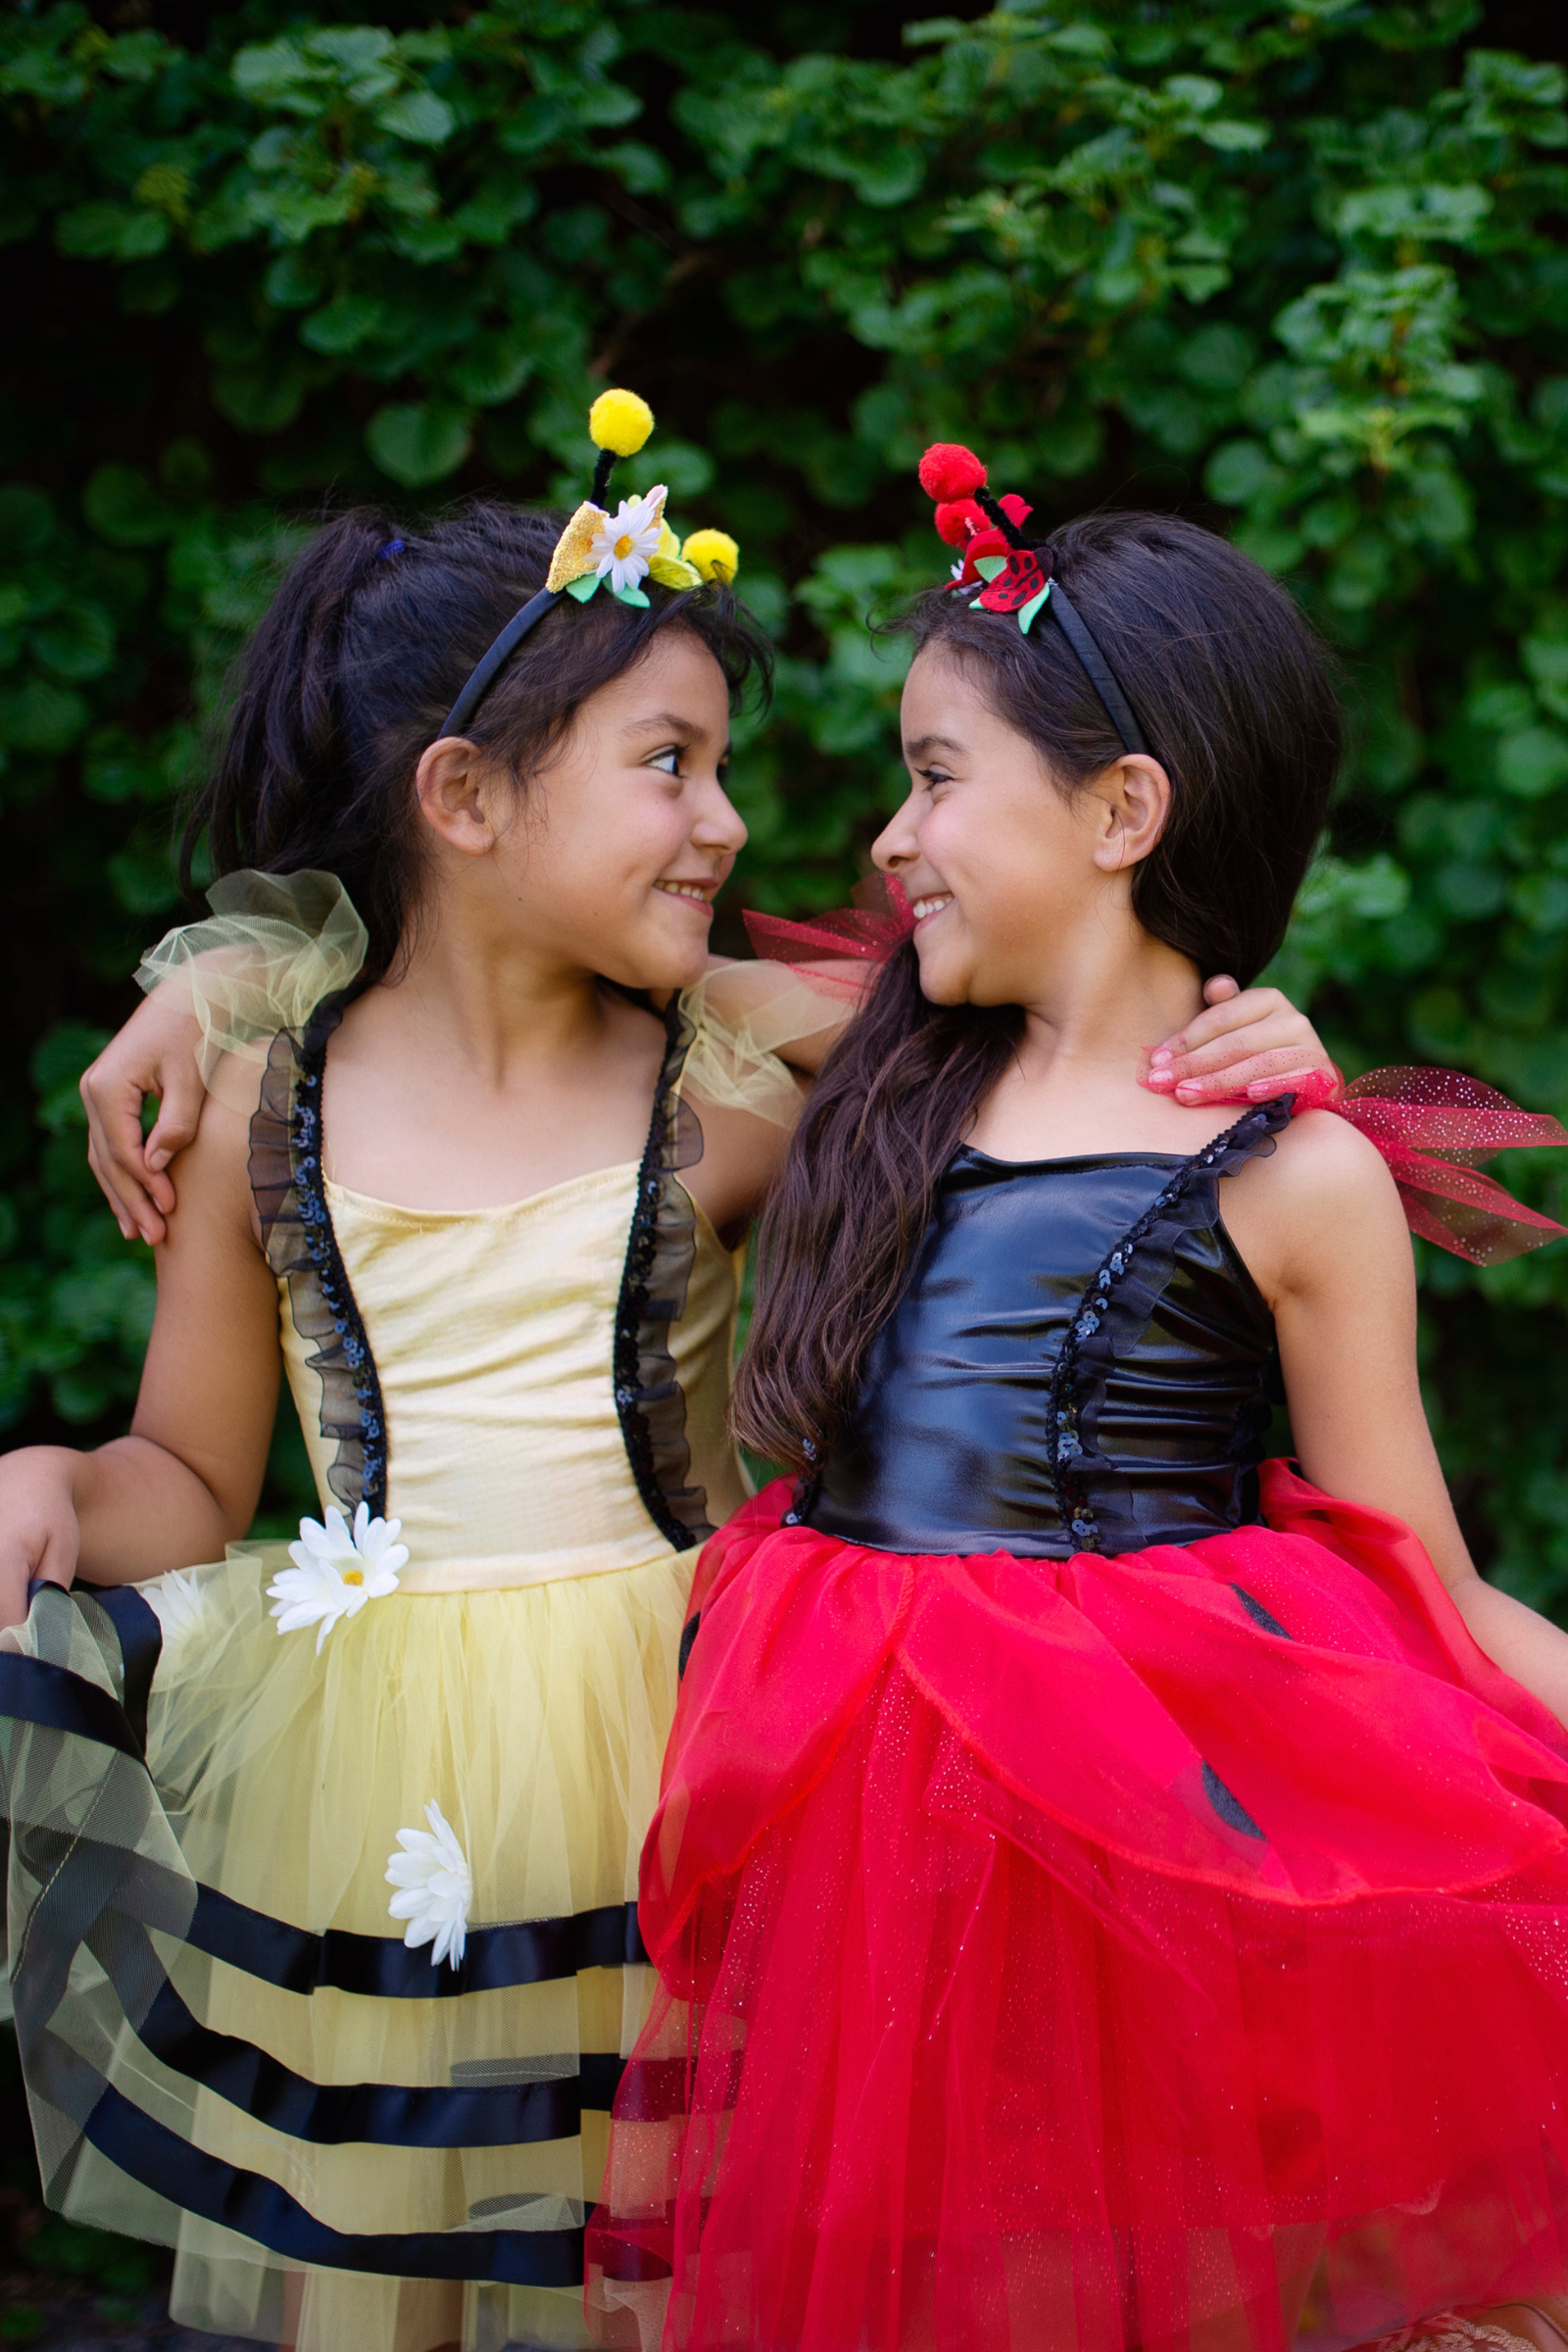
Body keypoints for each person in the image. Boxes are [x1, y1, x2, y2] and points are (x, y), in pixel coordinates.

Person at [0, 398, 1332, 2352]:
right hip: (377, 1792)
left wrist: (1257, 1035)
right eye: (666, 766)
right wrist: (53, 1478)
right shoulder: (264, 1114)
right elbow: (189, 1480)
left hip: (702, 1751)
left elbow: (1054, 1019)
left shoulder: (733, 1088)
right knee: (395, 2274)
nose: (723, 819)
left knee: (692, 2257)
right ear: (462, 799)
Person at [584, 461, 1568, 2352]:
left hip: (1148, 1844)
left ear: (1125, 809)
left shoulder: (1292, 1172)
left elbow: (1430, 1593)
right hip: (870, 1826)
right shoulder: (871, 1052)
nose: (888, 835)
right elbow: (552, 955)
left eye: (939, 775)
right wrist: (217, 991)